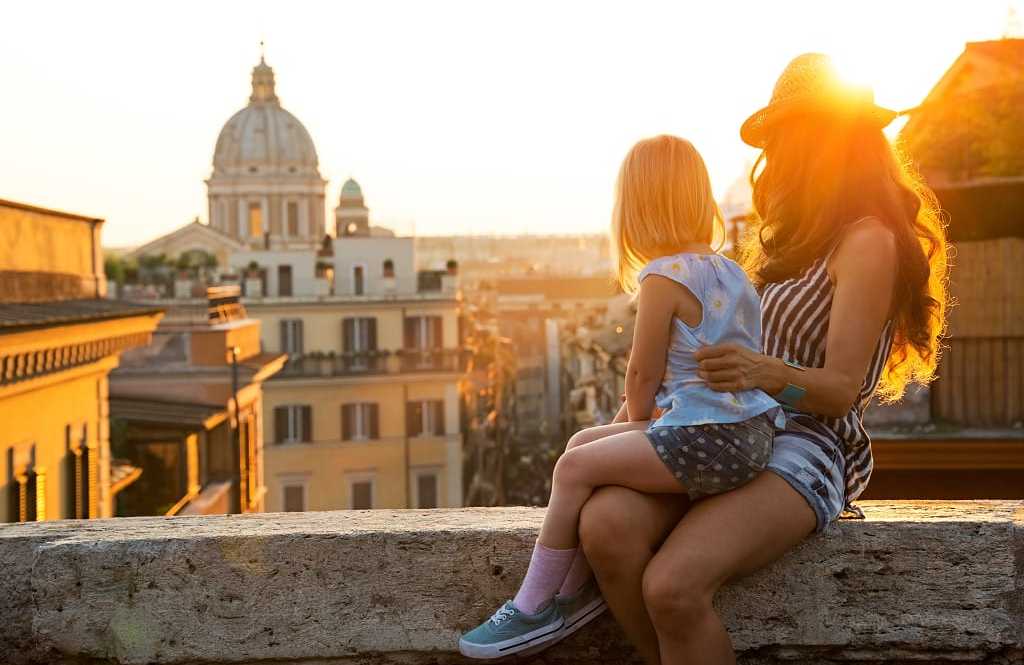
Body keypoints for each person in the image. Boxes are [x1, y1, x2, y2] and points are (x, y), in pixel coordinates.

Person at [575, 53, 950, 665]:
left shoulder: (869, 241)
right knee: (605, 530)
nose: (773, 159)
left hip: (807, 442)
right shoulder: (782, 244)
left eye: (785, 140)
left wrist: (767, 374)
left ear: (826, 144)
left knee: (672, 587)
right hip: (726, 429)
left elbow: (838, 392)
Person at [458, 134, 784, 660]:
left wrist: (635, 426)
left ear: (636, 206)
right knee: (583, 442)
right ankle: (571, 588)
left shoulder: (662, 276)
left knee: (572, 469)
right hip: (748, 435)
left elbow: (641, 376)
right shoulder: (734, 272)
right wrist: (618, 436)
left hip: (706, 438)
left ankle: (536, 603)